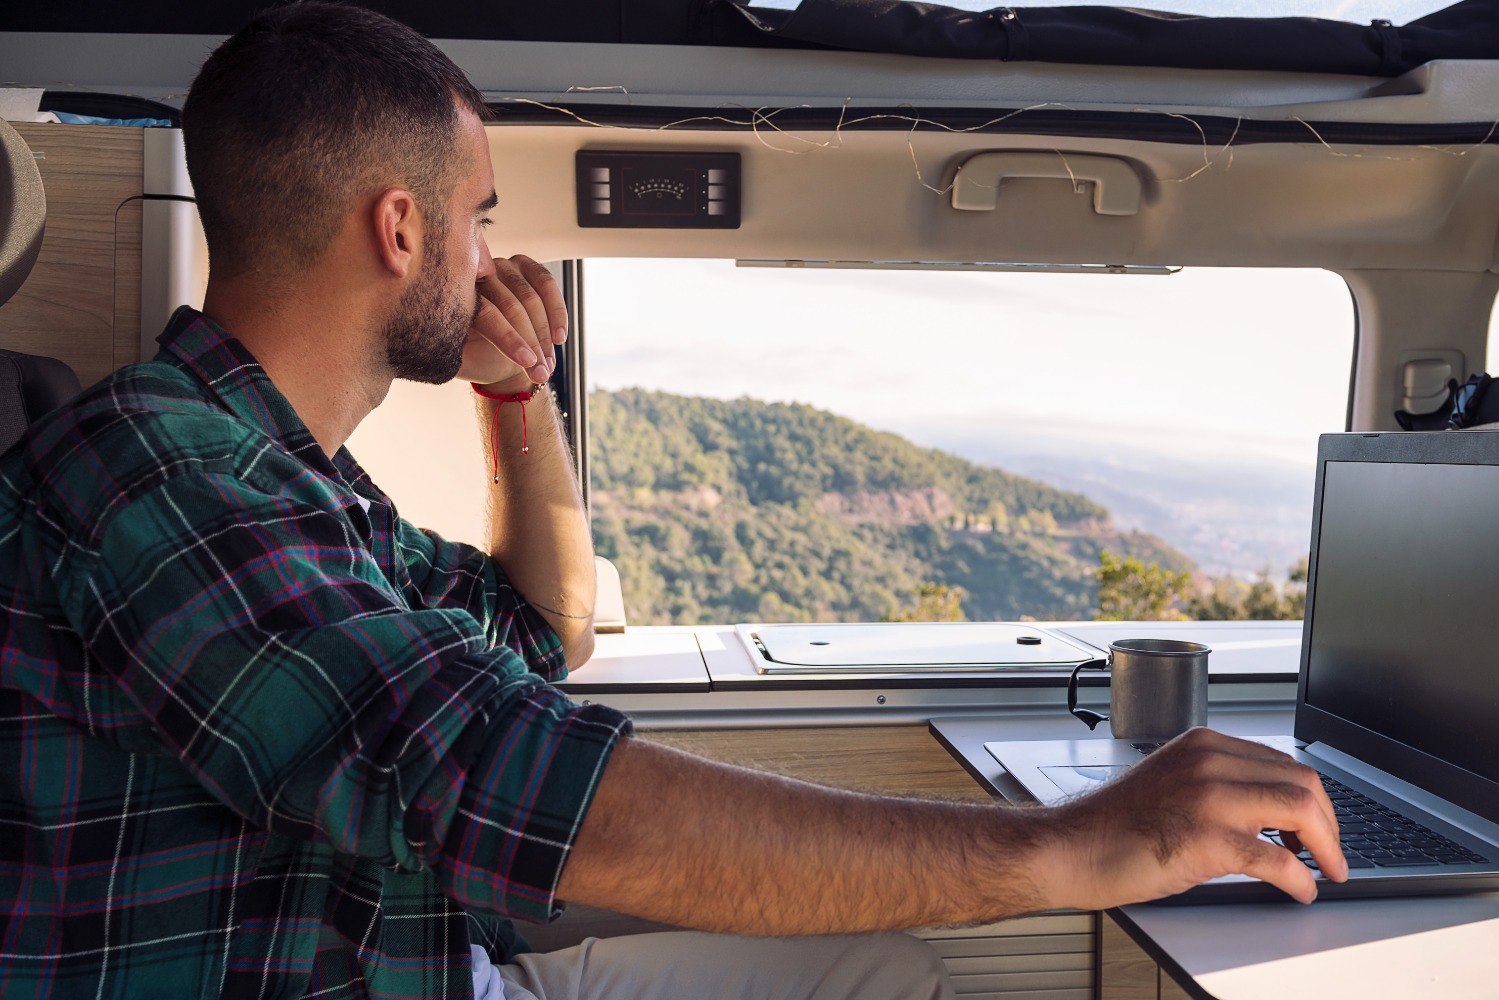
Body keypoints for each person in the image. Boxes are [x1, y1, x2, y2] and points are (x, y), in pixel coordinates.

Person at [0, 5, 1344, 999]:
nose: (494, 256)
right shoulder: (158, 478)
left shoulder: (297, 486)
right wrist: (1063, 849)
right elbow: (487, 774)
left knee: (883, 975)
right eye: (477, 218)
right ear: (400, 232)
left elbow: (546, 627)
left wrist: (518, 397)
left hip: (414, 955)